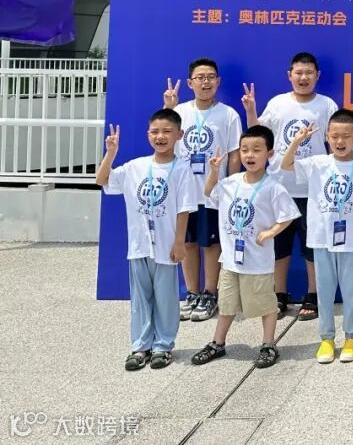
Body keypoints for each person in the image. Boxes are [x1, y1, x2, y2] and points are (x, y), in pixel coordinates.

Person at [242, 52, 353, 321]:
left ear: (317, 76)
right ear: (290, 75)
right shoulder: (278, 103)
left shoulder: (326, 105)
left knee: (312, 247)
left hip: (314, 190)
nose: (304, 77)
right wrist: (251, 110)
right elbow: (258, 134)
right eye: (299, 72)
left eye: (309, 73)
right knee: (279, 245)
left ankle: (312, 295)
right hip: (278, 187)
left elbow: (339, 139)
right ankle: (279, 295)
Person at [96, 113, 198, 371]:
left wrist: (179, 242)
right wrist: (111, 153)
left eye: (167, 131)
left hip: (166, 246)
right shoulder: (135, 167)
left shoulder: (182, 169)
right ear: (148, 134)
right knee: (141, 298)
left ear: (179, 135)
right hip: (139, 245)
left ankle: (163, 345)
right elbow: (101, 179)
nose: (160, 137)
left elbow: (184, 208)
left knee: (165, 298)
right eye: (154, 132)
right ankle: (141, 346)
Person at [192, 126, 300, 369]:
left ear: (269, 154)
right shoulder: (230, 183)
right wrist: (214, 172)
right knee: (227, 304)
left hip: (258, 261)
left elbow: (288, 216)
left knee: (266, 305)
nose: (250, 155)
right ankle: (217, 343)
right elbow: (209, 193)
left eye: (256, 150)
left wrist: (271, 232)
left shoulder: (273, 187)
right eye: (244, 150)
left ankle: (269, 344)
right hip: (230, 260)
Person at [279, 110, 353, 364]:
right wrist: (297, 142)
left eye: (347, 136)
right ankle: (327, 338)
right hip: (321, 237)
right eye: (335, 136)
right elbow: (285, 165)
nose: (340, 141)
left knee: (352, 291)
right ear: (327, 137)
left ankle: (352, 337)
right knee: (325, 291)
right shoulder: (317, 163)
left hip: (351, 239)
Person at [163, 58, 242, 324]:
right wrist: (168, 107)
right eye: (200, 77)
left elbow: (234, 153)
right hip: (183, 192)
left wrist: (230, 186)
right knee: (187, 242)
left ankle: (209, 293)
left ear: (218, 81)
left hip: (212, 192)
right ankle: (192, 293)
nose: (205, 82)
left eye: (210, 77)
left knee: (210, 244)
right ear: (190, 83)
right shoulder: (179, 111)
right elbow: (163, 139)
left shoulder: (228, 114)